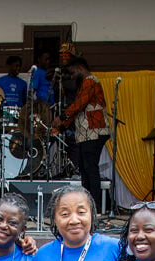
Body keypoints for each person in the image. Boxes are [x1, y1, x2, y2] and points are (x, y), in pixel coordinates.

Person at [52, 56, 110, 210]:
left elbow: (79, 104)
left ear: (79, 68)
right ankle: (89, 204)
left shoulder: (90, 81)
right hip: (87, 132)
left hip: (94, 130)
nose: (71, 77)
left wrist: (62, 118)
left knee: (90, 167)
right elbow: (78, 109)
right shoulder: (85, 83)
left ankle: (94, 206)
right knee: (85, 168)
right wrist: (62, 126)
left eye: (72, 73)